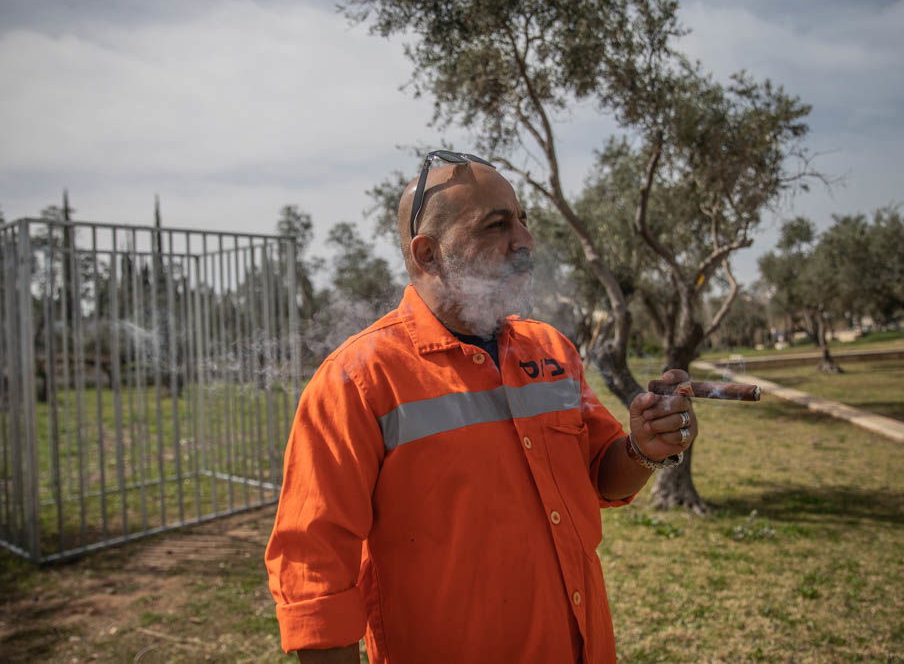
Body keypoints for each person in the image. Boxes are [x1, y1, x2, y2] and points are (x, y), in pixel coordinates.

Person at [265, 151, 698, 664]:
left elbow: (601, 476)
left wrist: (643, 449)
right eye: (496, 225)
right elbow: (313, 569)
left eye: (523, 221)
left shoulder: (551, 351)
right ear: (428, 254)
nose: (525, 242)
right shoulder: (358, 379)